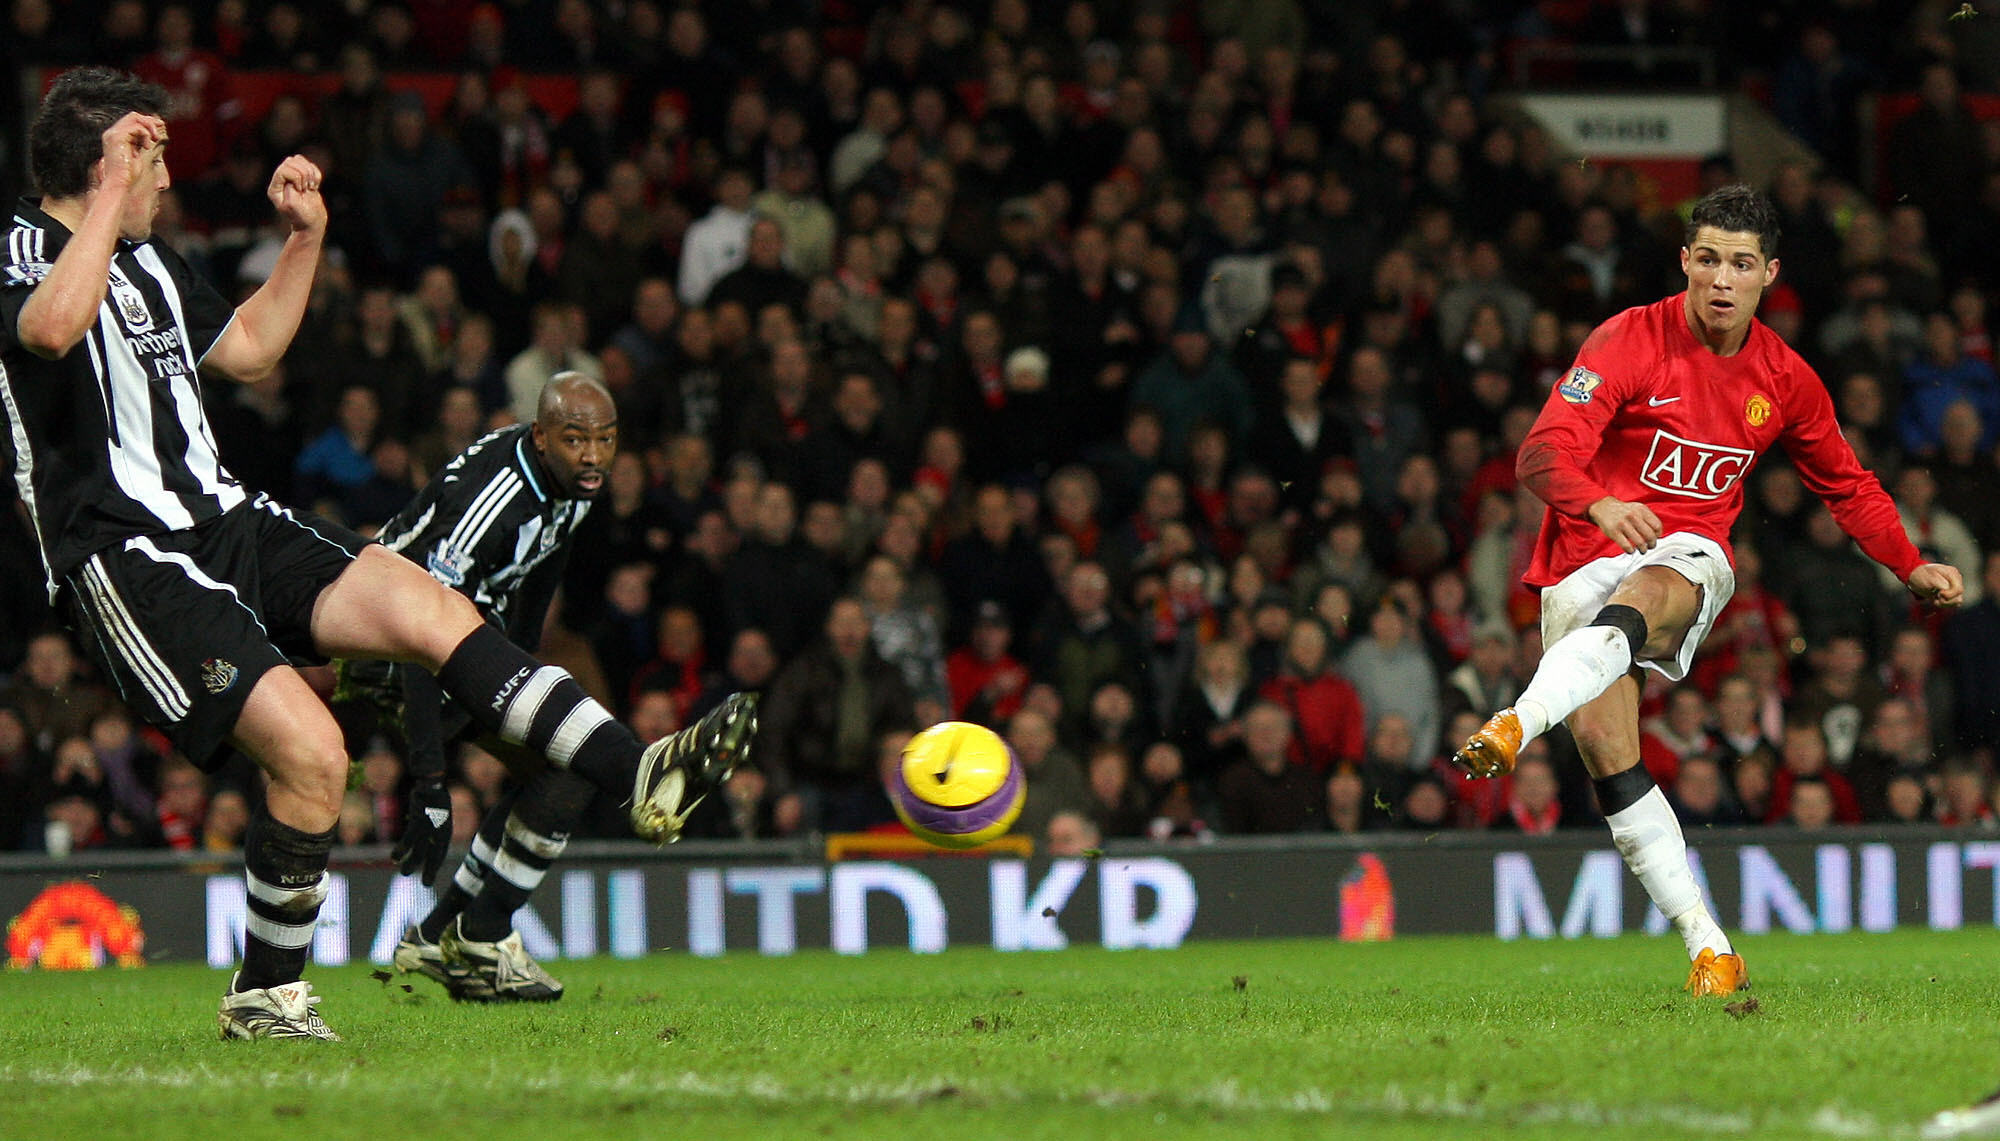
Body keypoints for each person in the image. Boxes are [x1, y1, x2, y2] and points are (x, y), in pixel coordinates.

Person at [0, 69, 755, 1041]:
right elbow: (50, 329)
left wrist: (304, 242)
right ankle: (267, 995)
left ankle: (638, 770)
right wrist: (109, 188)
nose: (167, 178)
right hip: (124, 553)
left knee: (431, 608)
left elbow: (247, 348)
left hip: (229, 517)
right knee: (313, 755)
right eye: (152, 158)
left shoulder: (149, 262)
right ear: (104, 159)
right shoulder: (22, 246)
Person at [1451, 185, 1964, 998]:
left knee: (1653, 586)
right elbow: (1541, 452)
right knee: (1610, 754)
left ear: (1769, 275)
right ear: (1686, 261)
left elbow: (1847, 483)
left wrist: (1910, 563)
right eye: (1711, 260)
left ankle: (1517, 719)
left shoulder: (1785, 378)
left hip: (1689, 554)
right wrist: (1600, 503)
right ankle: (1711, 948)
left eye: (1743, 264)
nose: (1723, 280)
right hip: (1585, 554)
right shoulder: (1627, 338)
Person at [337, 372, 748, 1003]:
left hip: (459, 641)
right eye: (576, 439)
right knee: (568, 732)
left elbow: (546, 561)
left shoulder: (575, 485)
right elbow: (417, 626)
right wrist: (429, 781)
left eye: (606, 439)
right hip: (386, 648)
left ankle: (455, 935)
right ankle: (647, 770)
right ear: (541, 436)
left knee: (565, 767)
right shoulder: (493, 504)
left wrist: (518, 656)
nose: (593, 455)